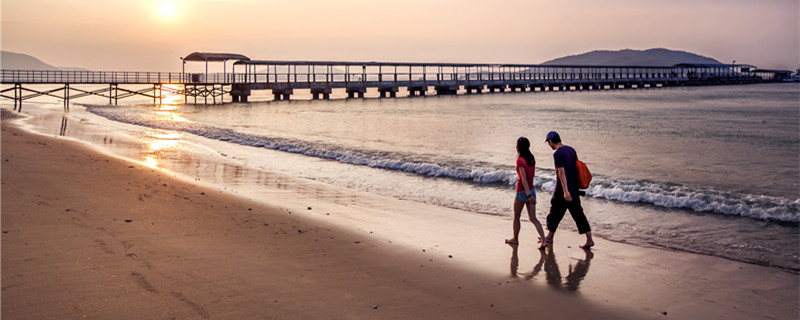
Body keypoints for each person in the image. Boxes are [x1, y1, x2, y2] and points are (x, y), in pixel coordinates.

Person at [543, 131, 594, 249]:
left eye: (548, 143)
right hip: (574, 189)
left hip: (562, 191)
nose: (549, 145)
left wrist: (565, 191)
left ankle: (549, 237)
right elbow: (576, 168)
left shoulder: (557, 154)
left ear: (550, 141)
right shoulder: (571, 150)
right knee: (578, 215)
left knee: (554, 214)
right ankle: (589, 239)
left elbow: (561, 172)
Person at [505, 137, 547, 249]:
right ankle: (544, 240)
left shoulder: (520, 160)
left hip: (522, 191)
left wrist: (528, 195)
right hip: (532, 189)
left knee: (516, 216)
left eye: (516, 145)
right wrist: (531, 194)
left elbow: (523, 179)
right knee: (533, 218)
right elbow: (530, 176)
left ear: (519, 147)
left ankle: (515, 239)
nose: (515, 147)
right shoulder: (531, 158)